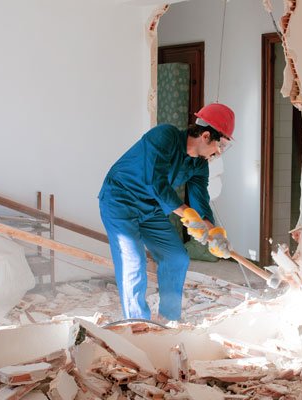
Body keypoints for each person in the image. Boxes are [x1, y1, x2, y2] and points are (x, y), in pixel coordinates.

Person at [98, 103, 235, 322]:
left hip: (150, 209)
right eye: (221, 145)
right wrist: (187, 214)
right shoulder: (164, 136)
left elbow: (201, 201)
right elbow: (156, 182)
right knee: (134, 262)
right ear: (206, 135)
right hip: (119, 201)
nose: (219, 153)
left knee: (177, 257)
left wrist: (214, 231)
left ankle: (168, 319)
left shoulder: (200, 166)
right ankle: (137, 324)